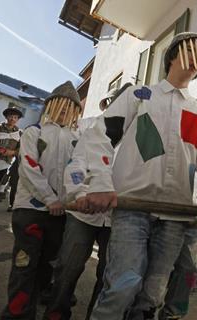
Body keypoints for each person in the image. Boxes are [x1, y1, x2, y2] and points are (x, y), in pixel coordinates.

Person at [64, 32, 197, 320]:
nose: (195, 61)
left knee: (152, 295)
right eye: (190, 52)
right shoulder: (139, 96)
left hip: (175, 218)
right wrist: (101, 184)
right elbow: (99, 139)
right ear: (172, 56)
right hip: (132, 210)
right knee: (122, 287)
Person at [43, 82, 132, 320]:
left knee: (108, 273)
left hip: (116, 219)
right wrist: (79, 194)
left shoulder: (136, 137)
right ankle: (56, 313)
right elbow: (76, 165)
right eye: (117, 104)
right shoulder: (92, 129)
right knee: (67, 267)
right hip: (82, 213)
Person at [1, 81, 84, 319]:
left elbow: (78, 172)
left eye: (71, 108)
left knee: (48, 265)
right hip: (31, 210)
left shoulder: (76, 139)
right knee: (24, 263)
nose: (65, 111)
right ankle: (16, 314)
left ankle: (34, 304)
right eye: (61, 105)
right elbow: (28, 168)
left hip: (60, 214)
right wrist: (49, 199)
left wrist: (73, 198)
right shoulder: (33, 132)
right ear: (51, 105)